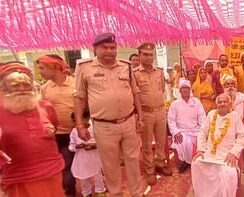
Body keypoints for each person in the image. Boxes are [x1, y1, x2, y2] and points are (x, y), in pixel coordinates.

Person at [73, 33, 144, 197]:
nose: (110, 51)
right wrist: (79, 124)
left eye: (113, 48)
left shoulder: (125, 66)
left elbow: (135, 92)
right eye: (105, 48)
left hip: (128, 122)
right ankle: (116, 193)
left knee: (133, 161)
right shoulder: (84, 67)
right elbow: (79, 97)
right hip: (104, 125)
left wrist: (140, 117)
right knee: (110, 164)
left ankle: (137, 193)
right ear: (95, 49)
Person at [0, 62, 64, 197]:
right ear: (4, 89)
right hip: (20, 176)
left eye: (26, 84)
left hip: (51, 171)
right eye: (15, 85)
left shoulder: (46, 106)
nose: (22, 88)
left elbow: (54, 128)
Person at [191, 93, 244, 197]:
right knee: (196, 164)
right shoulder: (211, 114)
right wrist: (201, 150)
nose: (222, 104)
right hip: (209, 153)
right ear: (216, 104)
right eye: (220, 102)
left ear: (230, 104)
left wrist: (233, 153)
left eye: (225, 102)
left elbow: (242, 137)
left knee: (228, 173)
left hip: (227, 155)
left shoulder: (235, 116)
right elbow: (202, 132)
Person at [37, 54, 77, 197]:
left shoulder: (76, 83)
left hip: (76, 134)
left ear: (54, 67)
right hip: (55, 135)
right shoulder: (44, 88)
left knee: (78, 165)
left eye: (42, 68)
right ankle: (69, 191)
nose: (40, 71)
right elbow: (41, 111)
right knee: (63, 166)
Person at [133, 42, 173, 186]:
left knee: (161, 140)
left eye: (151, 54)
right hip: (146, 113)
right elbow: (134, 96)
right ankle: (149, 170)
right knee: (147, 144)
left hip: (160, 111)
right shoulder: (135, 74)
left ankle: (160, 164)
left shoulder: (160, 71)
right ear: (139, 55)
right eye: (145, 54)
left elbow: (162, 90)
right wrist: (139, 116)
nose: (149, 57)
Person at [168, 79, 206, 173]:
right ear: (180, 91)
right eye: (183, 88)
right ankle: (185, 162)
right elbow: (171, 120)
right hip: (181, 131)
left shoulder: (196, 102)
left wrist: (203, 130)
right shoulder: (175, 104)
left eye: (186, 88)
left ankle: (198, 162)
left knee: (202, 141)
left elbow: (202, 117)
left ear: (190, 90)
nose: (185, 90)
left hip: (196, 130)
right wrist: (175, 132)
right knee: (184, 142)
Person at [69, 111, 106, 197]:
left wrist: (93, 146)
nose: (77, 123)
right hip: (82, 161)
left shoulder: (94, 128)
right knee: (84, 179)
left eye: (80, 120)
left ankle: (100, 192)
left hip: (95, 159)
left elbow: (103, 142)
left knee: (98, 177)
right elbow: (71, 147)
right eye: (75, 121)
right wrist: (79, 146)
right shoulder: (74, 132)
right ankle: (87, 194)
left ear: (87, 118)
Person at [222, 74, 244, 173]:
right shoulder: (221, 99)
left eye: (232, 84)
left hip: (242, 124)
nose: (230, 86)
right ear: (224, 86)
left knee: (241, 141)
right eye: (227, 84)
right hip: (226, 125)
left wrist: (242, 125)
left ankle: (243, 163)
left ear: (236, 85)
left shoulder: (243, 97)